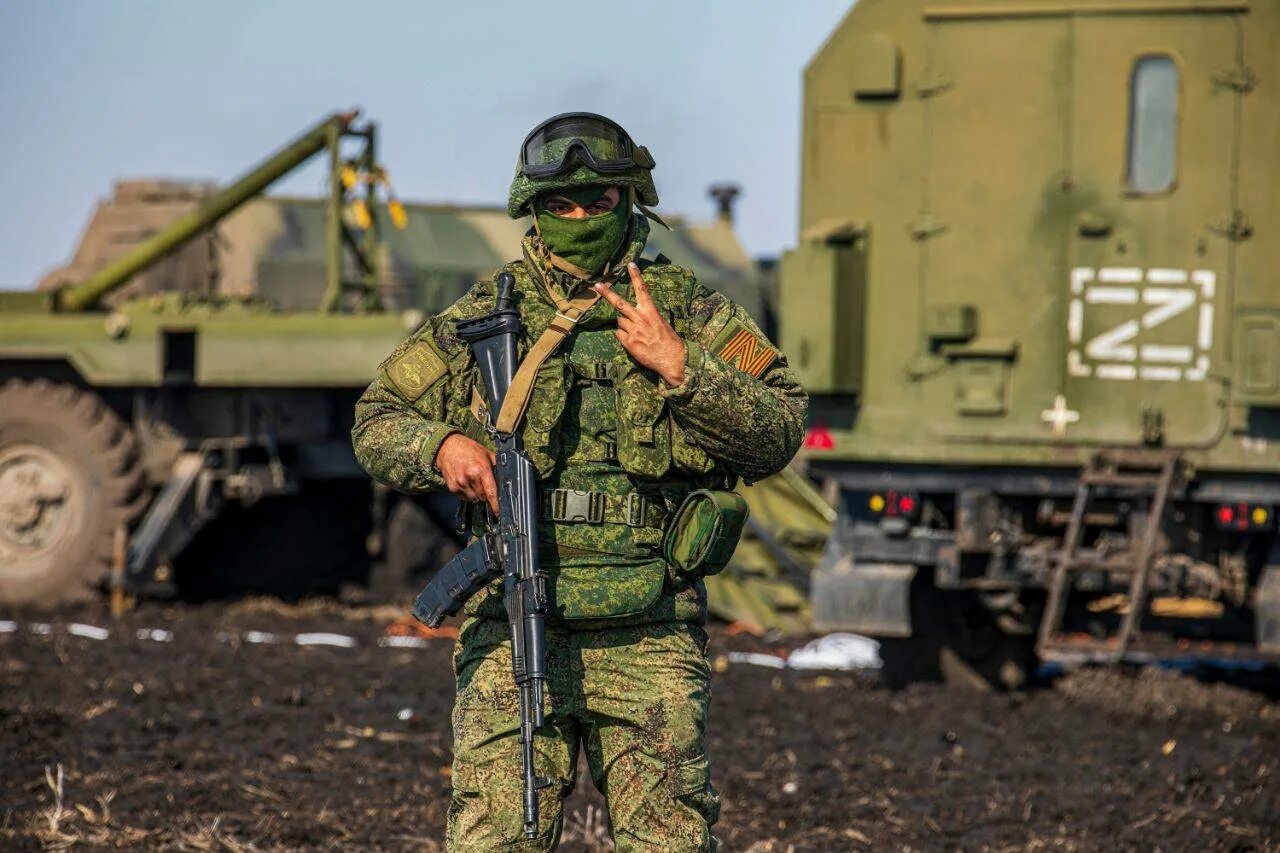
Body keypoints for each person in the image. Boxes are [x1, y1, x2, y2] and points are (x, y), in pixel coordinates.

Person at [352, 112, 807, 851]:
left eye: (596, 202)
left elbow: (782, 426)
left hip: (649, 631)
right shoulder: (485, 316)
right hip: (513, 623)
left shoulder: (687, 309)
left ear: (631, 203)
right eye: (560, 206)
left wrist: (682, 367)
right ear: (532, 210)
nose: (578, 218)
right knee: (497, 836)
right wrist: (443, 448)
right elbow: (376, 419)